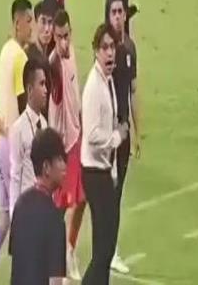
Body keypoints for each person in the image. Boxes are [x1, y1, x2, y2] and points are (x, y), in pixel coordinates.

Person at [0, 0, 33, 285]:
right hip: (13, 147)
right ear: (17, 22)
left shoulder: (5, 51)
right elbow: (24, 105)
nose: (31, 27)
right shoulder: (20, 58)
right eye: (29, 21)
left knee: (3, 222)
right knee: (22, 221)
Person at [81, 23, 129, 285]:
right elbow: (91, 134)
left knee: (106, 248)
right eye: (105, 48)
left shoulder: (106, 81)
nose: (110, 53)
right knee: (103, 250)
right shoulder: (94, 87)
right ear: (96, 51)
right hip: (94, 173)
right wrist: (117, 137)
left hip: (103, 172)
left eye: (112, 47)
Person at [48, 9, 86, 280]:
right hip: (61, 147)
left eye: (66, 36)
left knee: (83, 199)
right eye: (59, 37)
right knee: (59, 209)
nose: (63, 42)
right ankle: (55, 261)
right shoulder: (54, 65)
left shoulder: (71, 52)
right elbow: (57, 83)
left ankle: (70, 249)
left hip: (77, 137)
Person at [107, 0, 140, 275]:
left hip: (125, 132)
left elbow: (133, 92)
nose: (118, 16)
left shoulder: (130, 48)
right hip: (109, 134)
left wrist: (138, 132)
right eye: (114, 12)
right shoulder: (107, 51)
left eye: (121, 12)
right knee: (109, 192)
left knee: (117, 193)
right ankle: (109, 250)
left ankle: (111, 248)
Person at [9, 127, 67, 285]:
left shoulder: (20, 205)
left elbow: (17, 265)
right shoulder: (55, 219)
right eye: (60, 160)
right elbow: (55, 281)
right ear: (46, 167)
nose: (65, 166)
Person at [9, 59, 48, 217]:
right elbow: (15, 175)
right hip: (27, 210)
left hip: (43, 207)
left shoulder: (44, 124)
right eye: (42, 84)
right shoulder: (18, 129)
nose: (46, 90)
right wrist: (14, 217)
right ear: (30, 89)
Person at [26, 0, 54, 116]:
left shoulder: (44, 56)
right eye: (43, 22)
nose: (47, 29)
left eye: (50, 23)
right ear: (35, 23)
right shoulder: (34, 58)